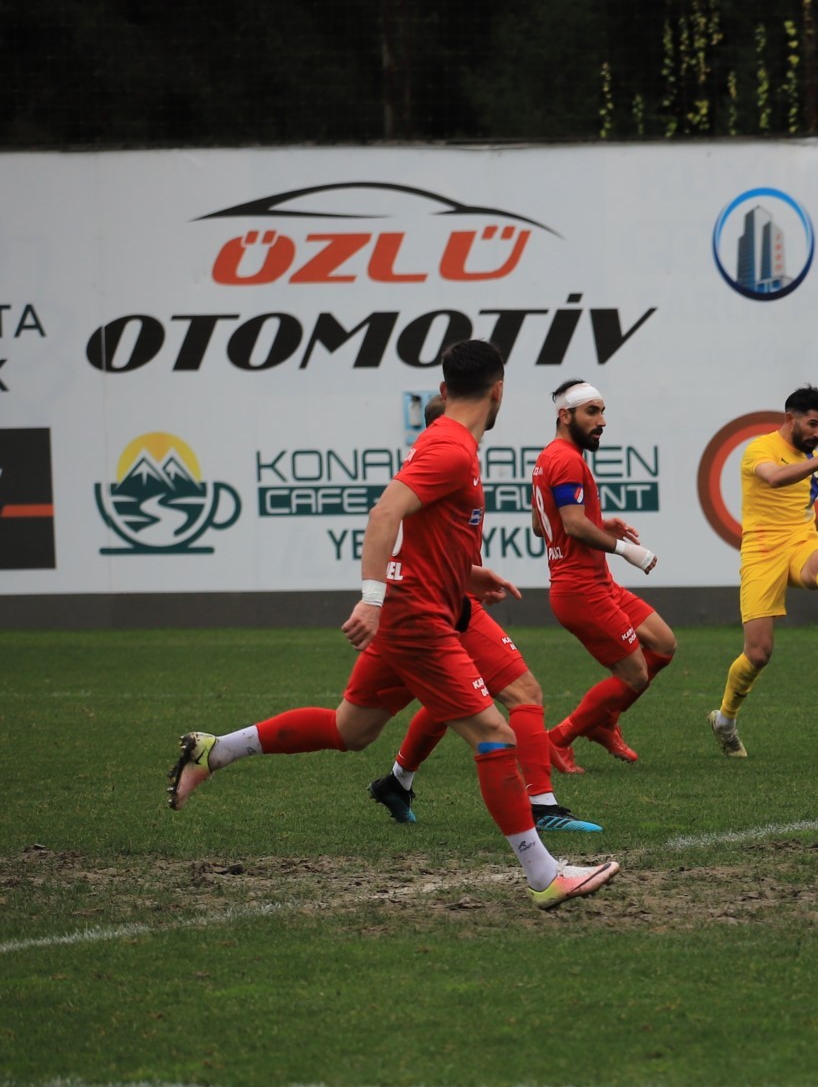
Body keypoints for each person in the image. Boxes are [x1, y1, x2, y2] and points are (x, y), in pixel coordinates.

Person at [168, 339, 619, 909]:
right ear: (499, 389)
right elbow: (385, 513)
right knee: (495, 736)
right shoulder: (452, 448)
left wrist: (466, 574)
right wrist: (371, 600)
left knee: (351, 729)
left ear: (443, 390)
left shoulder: (450, 443)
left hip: (431, 603)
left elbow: (429, 530)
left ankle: (216, 750)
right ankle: (543, 875)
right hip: (418, 618)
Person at [368, 389, 602, 834]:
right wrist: (373, 597)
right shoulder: (447, 459)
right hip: (438, 605)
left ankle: (397, 781)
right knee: (523, 693)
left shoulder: (454, 461)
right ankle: (540, 806)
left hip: (445, 600)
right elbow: (395, 524)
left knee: (439, 703)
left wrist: (474, 575)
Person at [708, 385, 818, 758]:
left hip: (800, 540)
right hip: (762, 551)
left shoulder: (809, 453)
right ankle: (725, 721)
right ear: (790, 418)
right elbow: (775, 478)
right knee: (759, 652)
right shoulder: (759, 449)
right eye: (812, 424)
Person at [531, 379, 675, 770]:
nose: (602, 421)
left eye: (602, 411)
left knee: (663, 644)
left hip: (597, 583)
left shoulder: (549, 457)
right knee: (634, 676)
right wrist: (629, 550)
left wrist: (598, 522)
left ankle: (603, 721)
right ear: (565, 416)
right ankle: (559, 738)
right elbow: (573, 526)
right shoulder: (565, 460)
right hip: (580, 590)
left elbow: (540, 525)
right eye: (592, 412)